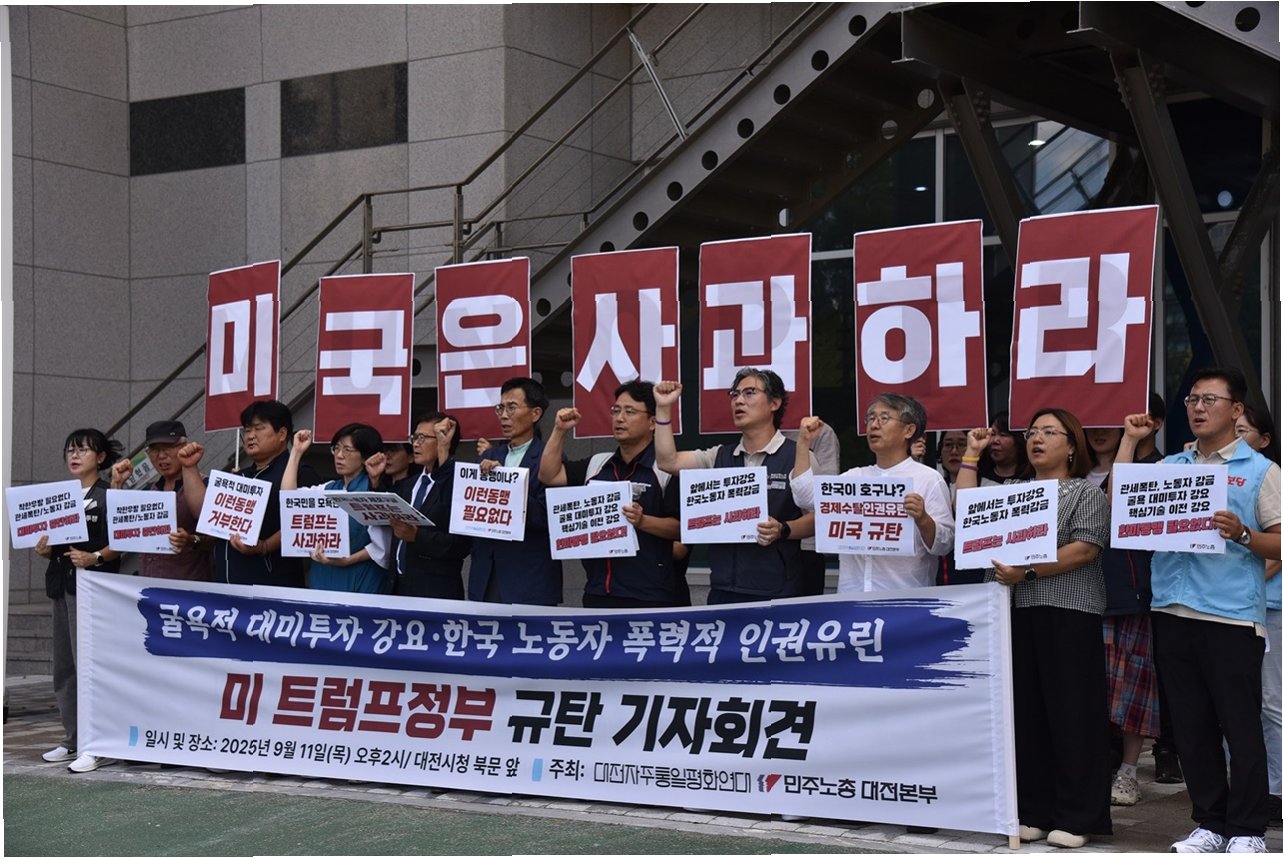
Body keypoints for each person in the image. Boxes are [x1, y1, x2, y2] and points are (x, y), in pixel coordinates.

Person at [1118, 367, 1280, 854]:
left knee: (1240, 726)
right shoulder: (1173, 465)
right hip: (1172, 609)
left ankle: (1248, 830)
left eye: (1210, 399)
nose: (1198, 407)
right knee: (1191, 727)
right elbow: (1119, 506)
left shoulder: (1260, 470)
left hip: (1230, 616)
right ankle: (1210, 823)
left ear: (1236, 410)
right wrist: (1130, 441)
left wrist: (1244, 534)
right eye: (1192, 399)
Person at [977, 408, 1113, 849]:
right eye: (1033, 432)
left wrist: (1028, 572)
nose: (1036, 439)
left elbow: (1085, 549)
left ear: (1072, 446)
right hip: (1014, 610)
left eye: (1049, 432)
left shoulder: (1084, 492)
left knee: (1073, 714)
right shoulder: (1009, 492)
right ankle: (1033, 809)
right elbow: (971, 525)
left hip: (1068, 611)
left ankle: (1078, 815)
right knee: (1025, 713)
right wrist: (972, 456)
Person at [651, 369, 816, 604]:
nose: (739, 400)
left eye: (750, 392)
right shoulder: (719, 455)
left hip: (777, 591)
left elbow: (820, 517)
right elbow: (668, 462)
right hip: (723, 588)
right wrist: (663, 408)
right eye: (734, 394)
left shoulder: (798, 455)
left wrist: (783, 529)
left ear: (774, 403)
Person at [538, 380, 685, 608]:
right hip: (598, 590)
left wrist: (643, 521)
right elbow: (548, 475)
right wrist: (559, 431)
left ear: (652, 422)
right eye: (616, 410)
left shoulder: (667, 469)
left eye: (630, 411)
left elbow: (684, 528)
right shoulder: (598, 464)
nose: (619, 418)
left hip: (650, 595)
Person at [790, 395, 954, 592]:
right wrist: (803, 443)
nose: (874, 425)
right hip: (852, 598)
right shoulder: (854, 477)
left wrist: (923, 519)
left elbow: (945, 545)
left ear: (909, 430)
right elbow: (804, 497)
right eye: (870, 418)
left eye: (884, 418)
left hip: (905, 600)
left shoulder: (928, 479)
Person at [37, 428, 123, 774]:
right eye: (70, 450)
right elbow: (56, 546)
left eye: (83, 450)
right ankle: (73, 737)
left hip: (93, 588)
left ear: (100, 458)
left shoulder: (107, 495)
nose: (74, 456)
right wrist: (45, 550)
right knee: (65, 666)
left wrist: (95, 557)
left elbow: (122, 541)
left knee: (91, 666)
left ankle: (98, 743)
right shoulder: (61, 497)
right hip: (62, 585)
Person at [1086, 419, 1161, 809]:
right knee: (1088, 690)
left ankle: (1129, 772)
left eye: (1109, 425)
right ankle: (1092, 767)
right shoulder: (1069, 474)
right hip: (1080, 594)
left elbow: (1118, 504)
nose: (1099, 432)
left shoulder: (1152, 469)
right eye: (1092, 426)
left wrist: (1130, 440)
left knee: (1132, 690)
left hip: (1128, 592)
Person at [179, 399, 321, 587]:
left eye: (259, 428)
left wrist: (264, 546)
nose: (250, 436)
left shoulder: (300, 472)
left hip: (272, 587)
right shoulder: (240, 476)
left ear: (282, 434)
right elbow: (202, 512)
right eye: (247, 430)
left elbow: (303, 523)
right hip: (227, 585)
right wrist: (189, 467)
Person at [469, 377, 562, 605]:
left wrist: (506, 485)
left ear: (535, 413)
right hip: (486, 574)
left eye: (512, 407)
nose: (503, 415)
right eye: (500, 408)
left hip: (529, 577)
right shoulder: (489, 456)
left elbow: (548, 517)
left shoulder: (549, 459)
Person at [1234, 403, 1282, 828]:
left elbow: (1274, 553)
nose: (1234, 437)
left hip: (1268, 605)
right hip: (1230, 608)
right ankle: (1241, 788)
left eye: (1242, 431)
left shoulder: (1267, 475)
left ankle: (1277, 791)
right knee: (1232, 703)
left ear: (1264, 440)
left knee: (1270, 702)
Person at [283, 423, 391, 594]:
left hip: (360, 577)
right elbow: (289, 499)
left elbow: (381, 547)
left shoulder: (374, 490)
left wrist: (347, 561)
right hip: (324, 575)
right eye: (337, 448)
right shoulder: (331, 488)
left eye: (347, 450)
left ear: (365, 456)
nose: (339, 455)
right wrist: (296, 452)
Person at [109, 420, 211, 581]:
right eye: (154, 450)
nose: (161, 456)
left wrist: (191, 540)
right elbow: (120, 535)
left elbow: (217, 539)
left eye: (168, 447)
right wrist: (117, 484)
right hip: (149, 584)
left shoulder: (206, 485)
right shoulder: (148, 491)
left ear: (185, 446)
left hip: (189, 586)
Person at [387, 412, 471, 599]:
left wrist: (417, 536)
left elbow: (461, 545)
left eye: (423, 438)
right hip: (398, 587)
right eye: (415, 437)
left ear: (445, 440)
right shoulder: (408, 485)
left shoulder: (459, 485)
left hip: (436, 591)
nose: (416, 444)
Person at [932, 430, 977, 586]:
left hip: (975, 586)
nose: (954, 451)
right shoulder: (932, 487)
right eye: (948, 445)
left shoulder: (988, 487)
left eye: (962, 445)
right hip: (934, 585)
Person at [978, 411, 1028, 485]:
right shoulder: (978, 477)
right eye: (992, 434)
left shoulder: (1034, 476)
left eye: (1003, 435)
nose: (995, 441)